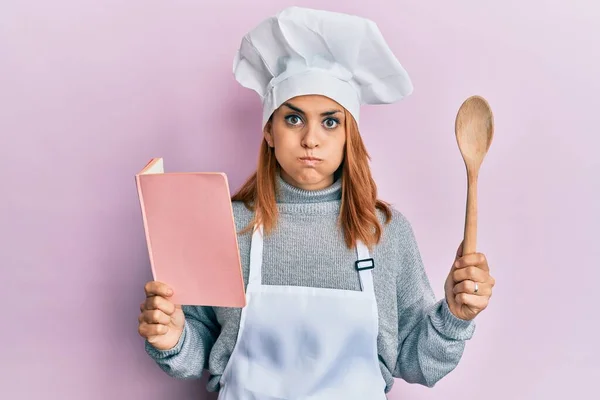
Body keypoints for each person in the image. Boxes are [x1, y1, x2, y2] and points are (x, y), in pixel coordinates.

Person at [137, 6, 495, 399]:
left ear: (348, 135)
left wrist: (454, 317)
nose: (311, 139)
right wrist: (171, 336)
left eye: (329, 121)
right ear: (269, 130)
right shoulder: (228, 224)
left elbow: (415, 360)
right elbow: (198, 348)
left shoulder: (385, 232)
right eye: (293, 119)